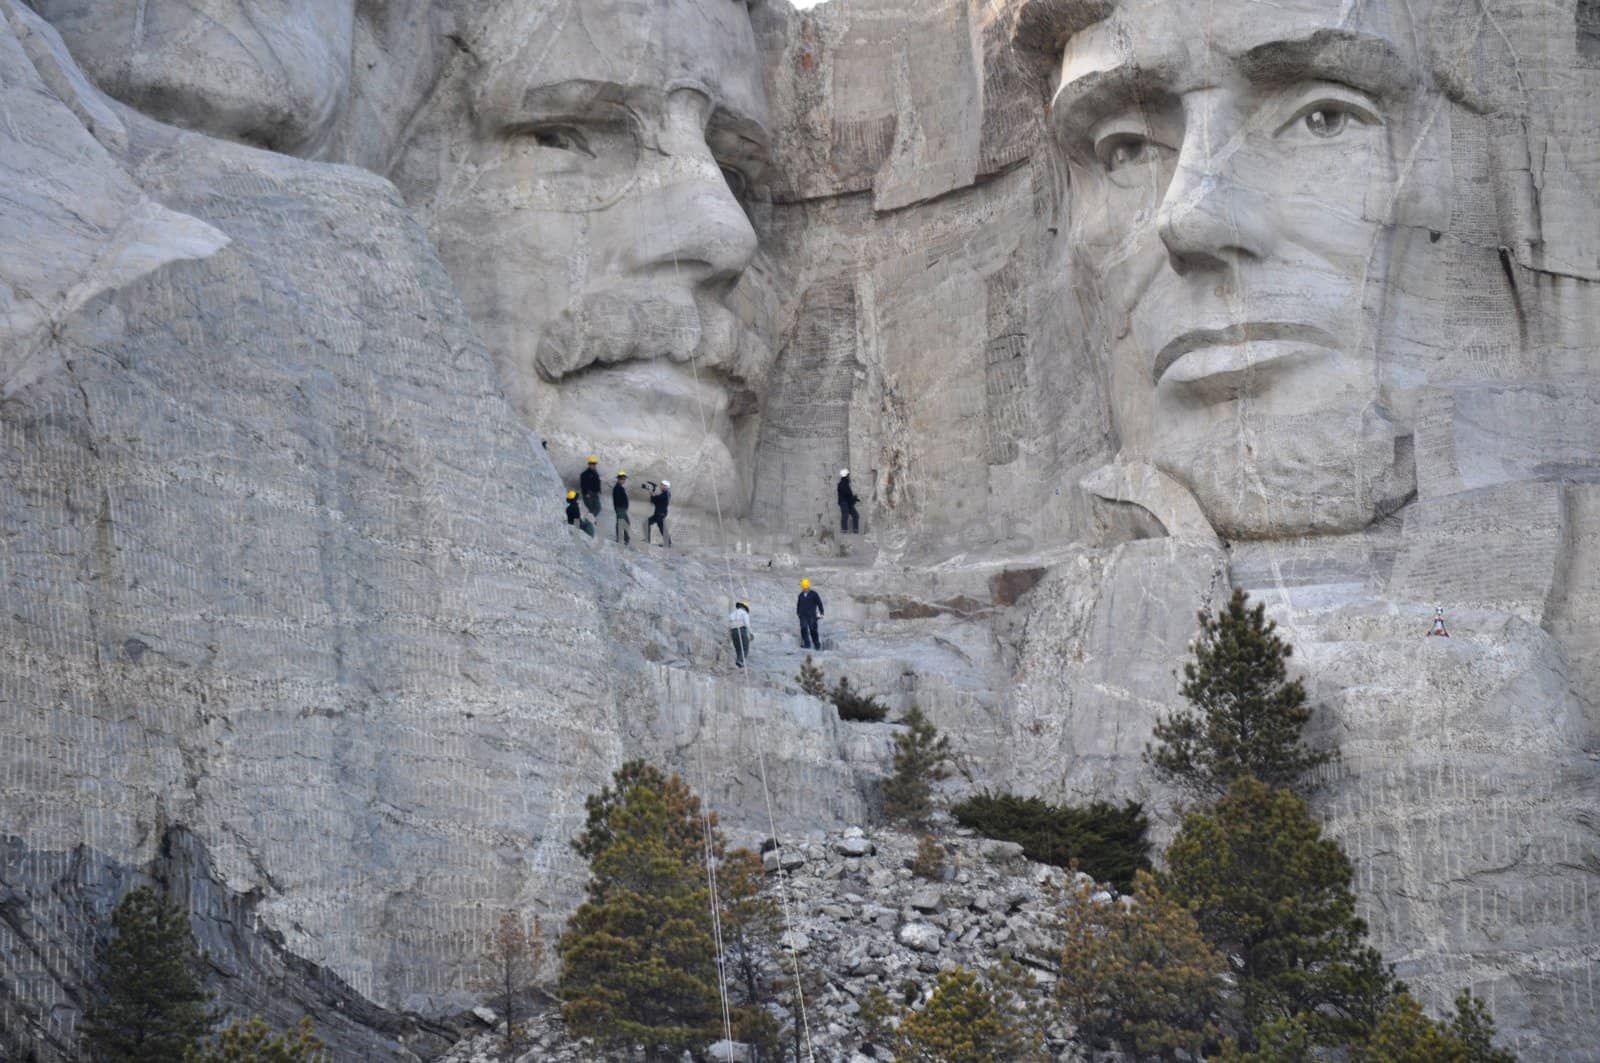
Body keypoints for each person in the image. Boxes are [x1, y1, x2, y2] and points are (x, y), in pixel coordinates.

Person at [796, 578, 824, 650]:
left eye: (806, 587)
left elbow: (819, 603)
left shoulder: (814, 594)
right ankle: (807, 644)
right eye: (804, 587)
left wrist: (821, 612)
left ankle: (817, 645)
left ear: (808, 586)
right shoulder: (801, 595)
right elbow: (799, 604)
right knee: (804, 629)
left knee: (813, 630)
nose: (805, 589)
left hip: (812, 616)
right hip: (803, 615)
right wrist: (798, 612)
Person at [646, 480, 672, 546]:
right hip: (660, 513)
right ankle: (668, 543)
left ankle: (647, 540)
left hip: (660, 514)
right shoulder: (667, 494)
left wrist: (651, 492)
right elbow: (656, 500)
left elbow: (655, 500)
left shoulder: (665, 494)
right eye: (661, 485)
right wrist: (652, 492)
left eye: (662, 485)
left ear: (666, 487)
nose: (660, 487)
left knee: (647, 523)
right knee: (661, 527)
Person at [728, 599, 752, 668]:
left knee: (738, 648)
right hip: (741, 630)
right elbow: (747, 624)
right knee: (745, 647)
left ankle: (739, 661)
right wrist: (750, 634)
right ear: (745, 608)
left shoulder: (732, 614)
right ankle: (740, 661)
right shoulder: (744, 613)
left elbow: (729, 624)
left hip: (733, 632)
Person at [837, 468, 860, 534]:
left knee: (856, 515)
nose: (849, 476)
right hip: (844, 502)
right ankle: (844, 530)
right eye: (848, 475)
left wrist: (854, 498)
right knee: (845, 514)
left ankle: (855, 530)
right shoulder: (842, 484)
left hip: (848, 502)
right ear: (846, 476)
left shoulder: (846, 484)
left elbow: (848, 495)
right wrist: (853, 497)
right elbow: (846, 494)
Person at [612, 471, 631, 545]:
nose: (624, 480)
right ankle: (621, 539)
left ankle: (625, 538)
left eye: (625, 479)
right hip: (620, 508)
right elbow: (618, 500)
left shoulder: (620, 487)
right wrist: (622, 507)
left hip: (622, 508)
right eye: (623, 479)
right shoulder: (617, 488)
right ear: (619, 479)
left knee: (626, 523)